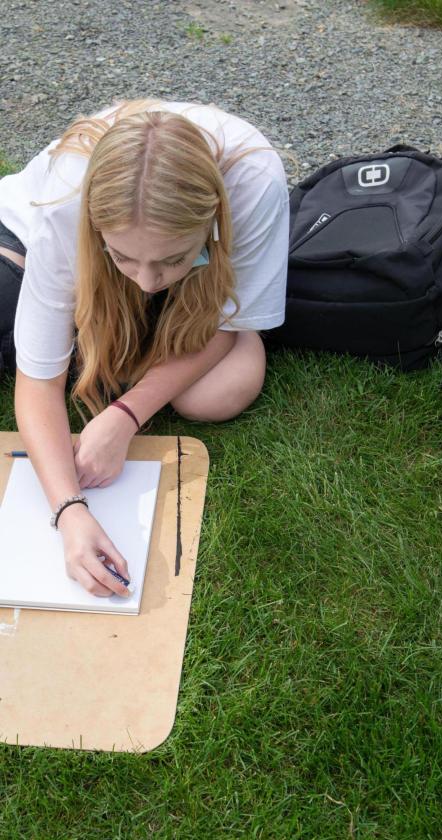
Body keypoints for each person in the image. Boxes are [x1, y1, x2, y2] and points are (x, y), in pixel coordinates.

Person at [0, 98, 289, 598]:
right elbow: (37, 381)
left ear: (213, 219)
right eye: (126, 258)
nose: (149, 282)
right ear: (97, 231)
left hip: (192, 280)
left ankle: (124, 345)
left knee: (221, 390)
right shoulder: (66, 206)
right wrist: (69, 512)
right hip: (27, 246)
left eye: (172, 259)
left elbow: (229, 321)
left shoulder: (255, 182)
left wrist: (124, 417)